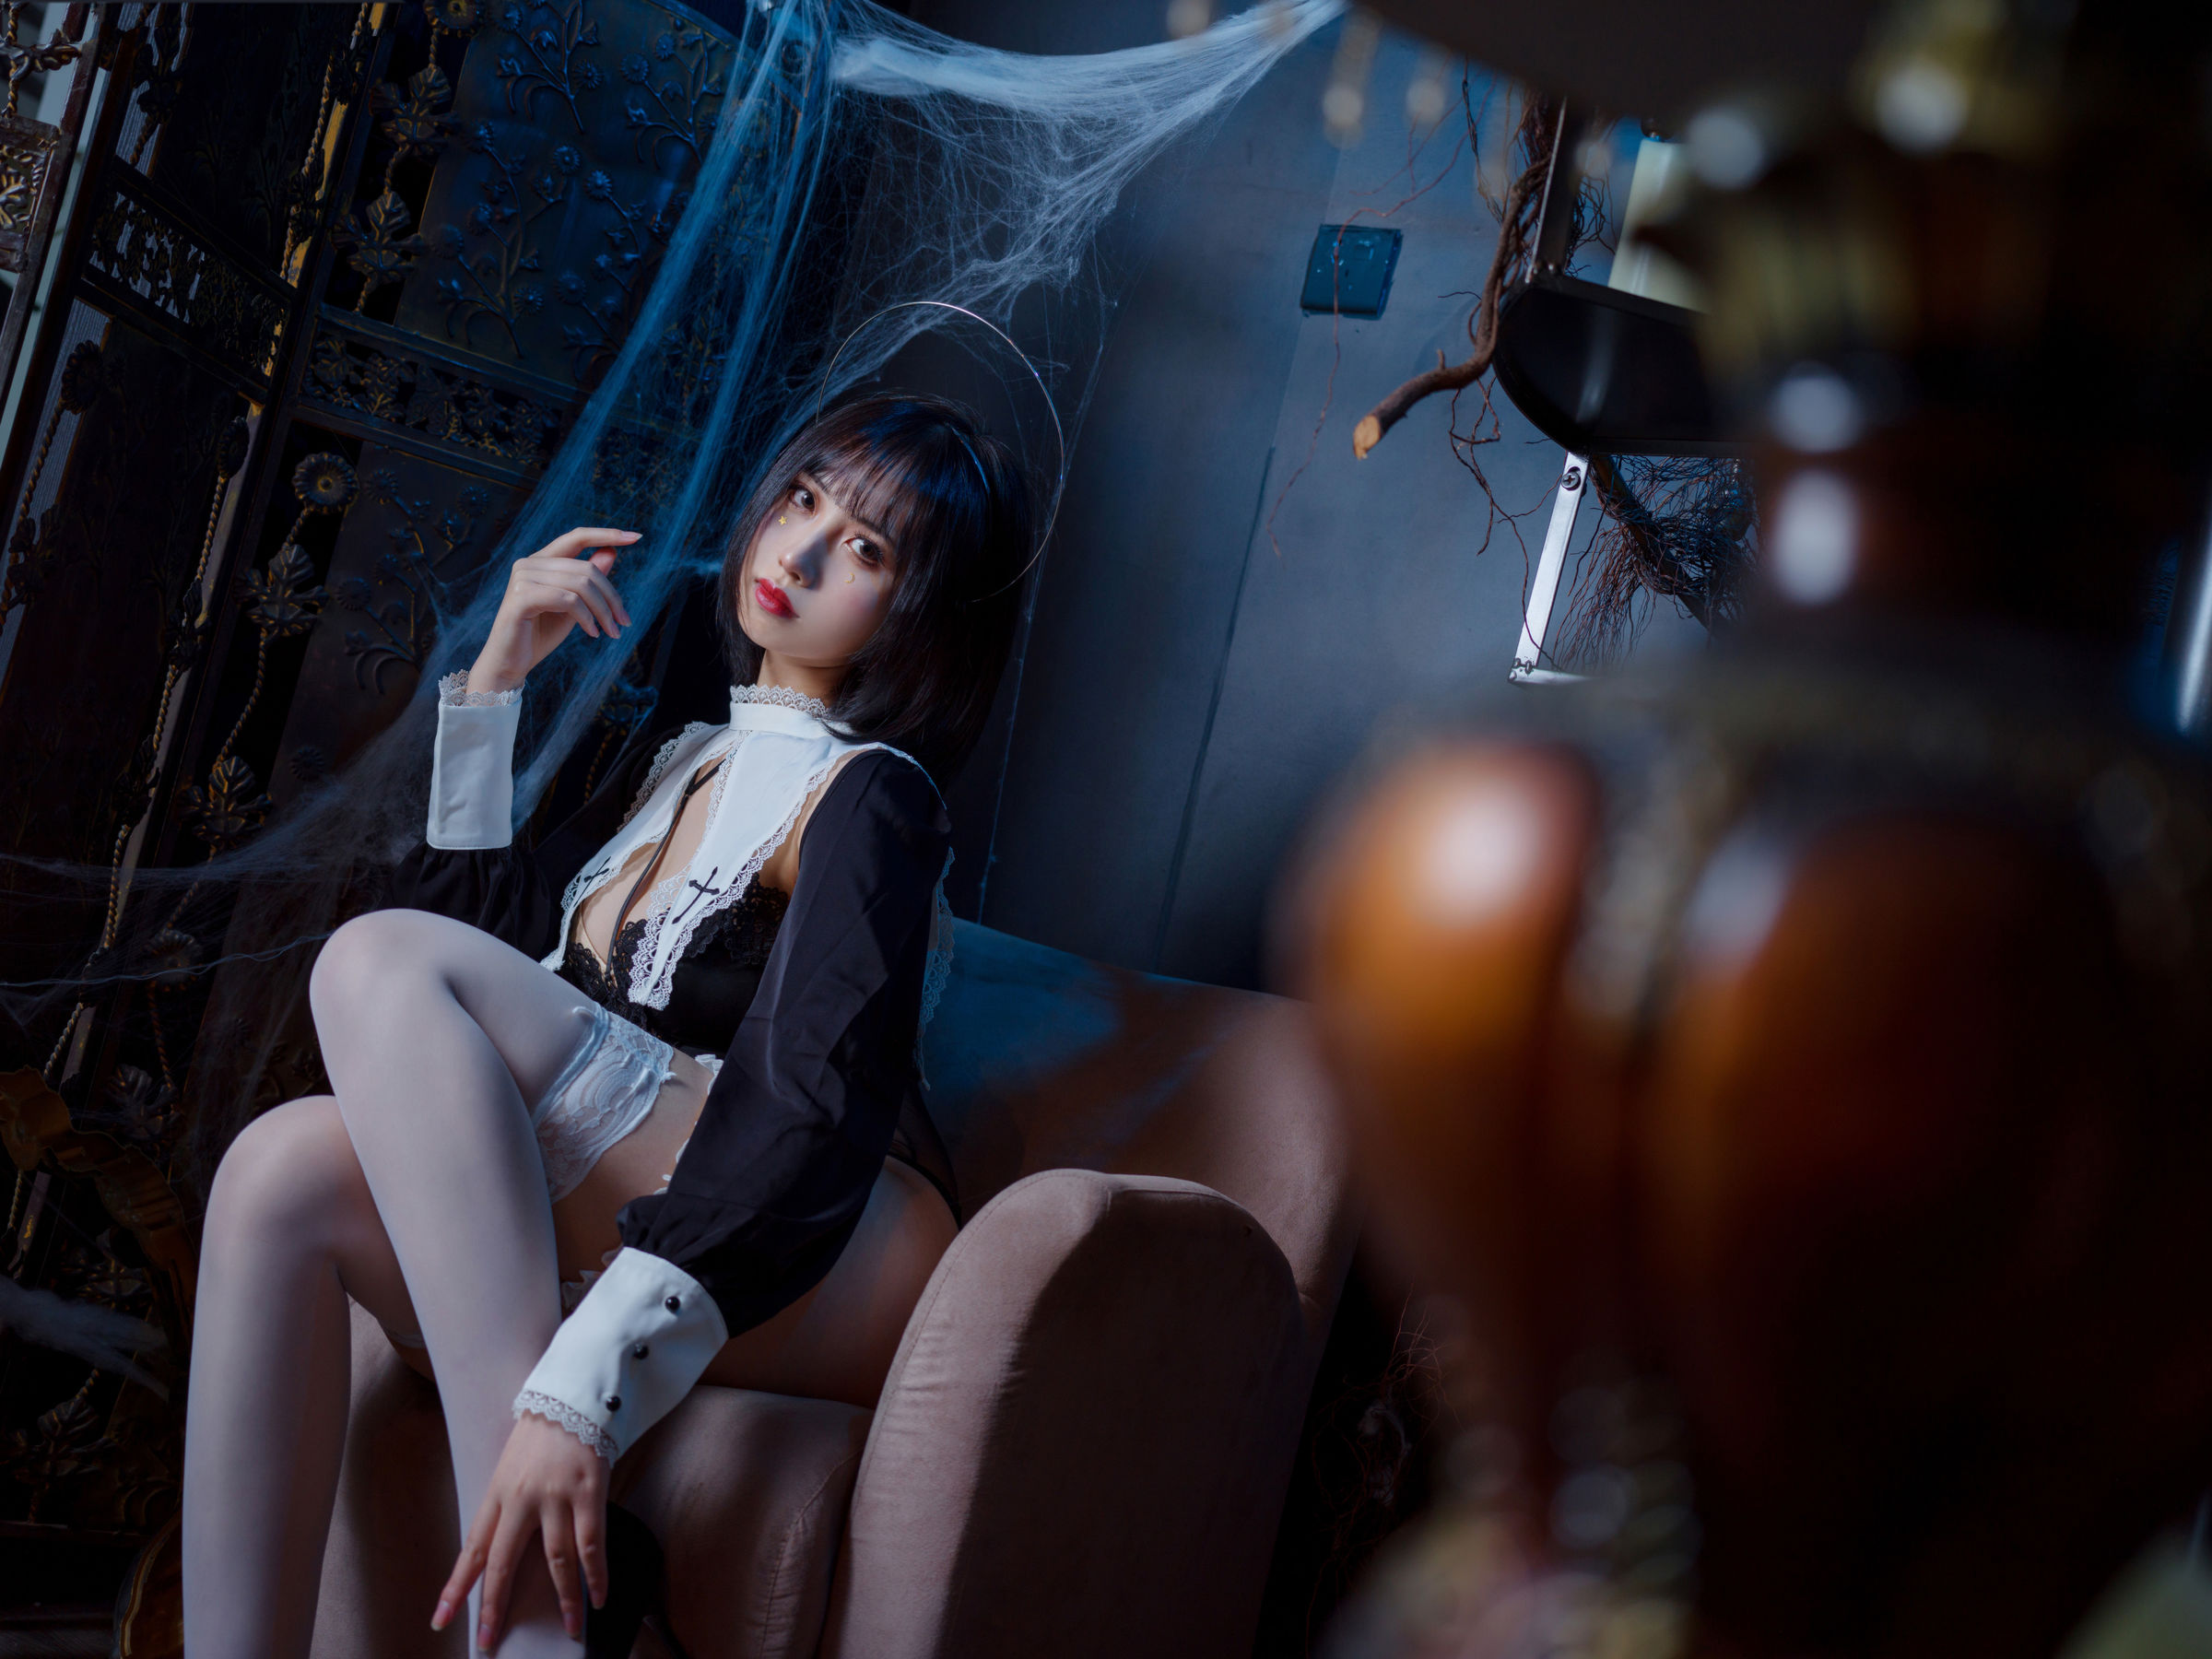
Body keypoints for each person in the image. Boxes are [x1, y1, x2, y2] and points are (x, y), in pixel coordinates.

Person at [180, 393, 1032, 1657]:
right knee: (277, 1170)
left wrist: (576, 1403)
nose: (798, 553)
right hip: (655, 1166)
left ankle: (535, 1611)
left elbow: (813, 1106)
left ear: (921, 616)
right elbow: (484, 959)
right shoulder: (687, 759)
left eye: (864, 548)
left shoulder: (874, 799)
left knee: (376, 957)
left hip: (832, 1237)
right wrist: (495, 681)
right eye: (803, 500)